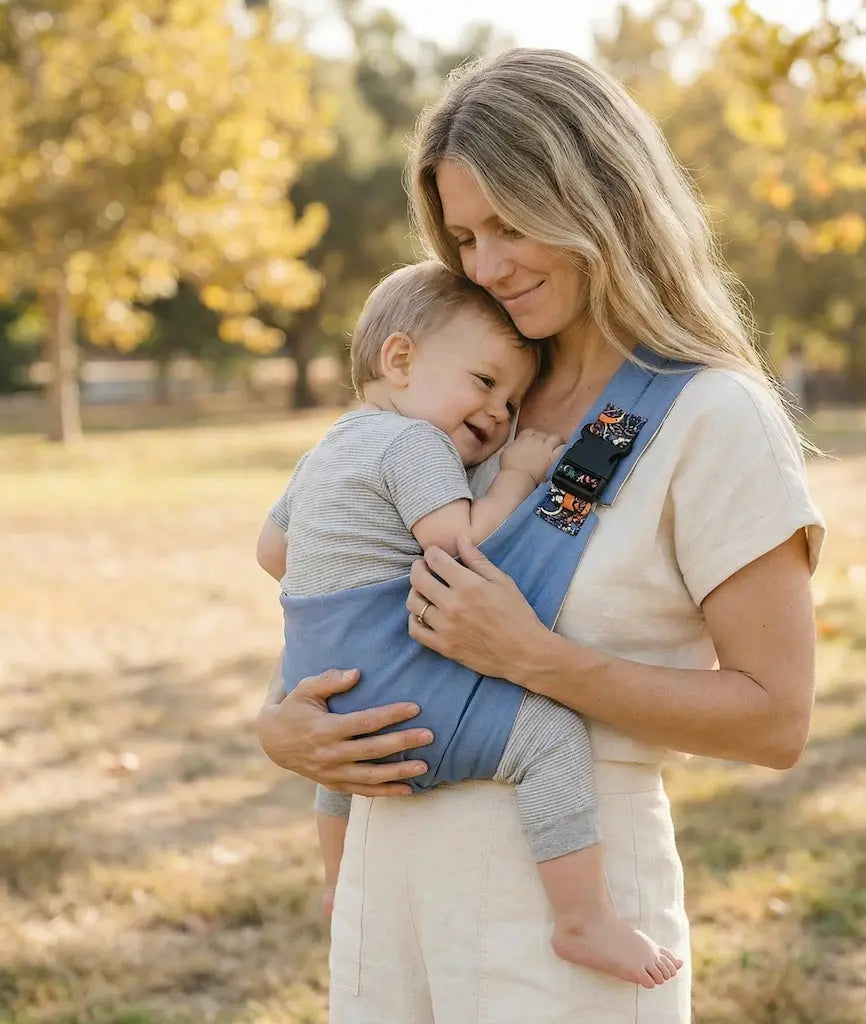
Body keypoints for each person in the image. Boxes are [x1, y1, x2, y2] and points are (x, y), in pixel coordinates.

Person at [256, 48, 825, 1024]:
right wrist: (280, 728)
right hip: (384, 909)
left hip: (556, 923)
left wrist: (536, 659)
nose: (486, 266)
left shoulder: (710, 415)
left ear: (600, 197)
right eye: (464, 235)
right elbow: (338, 582)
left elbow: (776, 720)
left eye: (512, 224)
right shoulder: (471, 403)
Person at [256, 260, 683, 987]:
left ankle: (336, 883)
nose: (497, 414)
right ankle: (583, 919)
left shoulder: (326, 447)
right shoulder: (414, 444)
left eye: (511, 402)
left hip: (320, 675)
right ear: (400, 360)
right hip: (398, 677)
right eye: (484, 382)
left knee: (344, 763)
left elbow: (273, 553)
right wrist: (517, 473)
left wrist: (346, 570)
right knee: (549, 735)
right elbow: (460, 545)